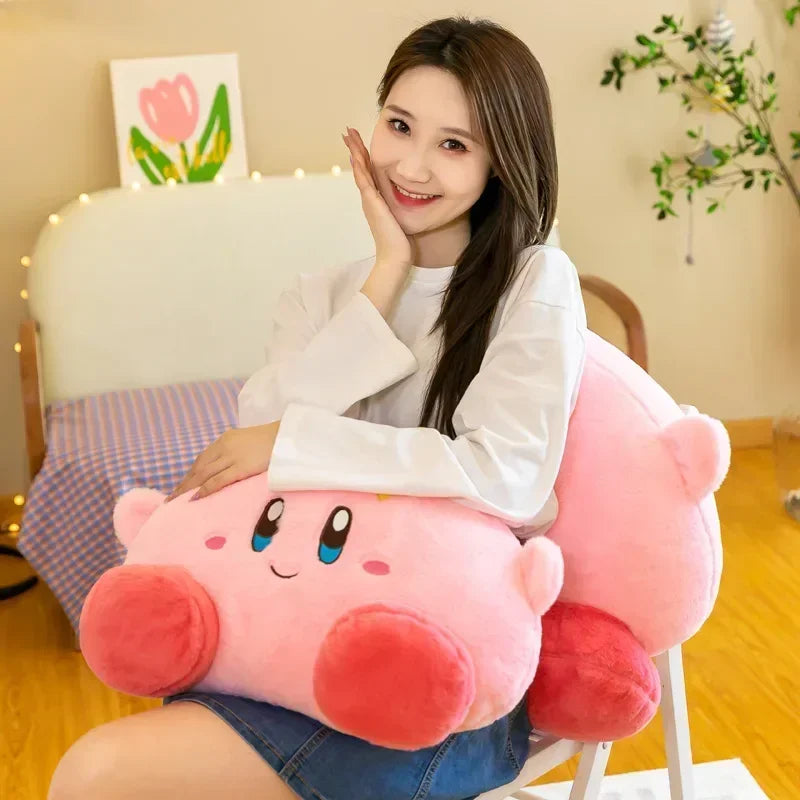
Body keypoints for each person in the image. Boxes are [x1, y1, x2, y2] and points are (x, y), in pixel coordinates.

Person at [49, 15, 587, 800]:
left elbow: (504, 474)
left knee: (98, 775)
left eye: (453, 144)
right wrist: (387, 273)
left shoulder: (534, 282)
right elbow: (255, 444)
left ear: (501, 159)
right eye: (399, 126)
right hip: (287, 631)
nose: (411, 165)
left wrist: (292, 445)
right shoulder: (319, 296)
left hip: (435, 666)